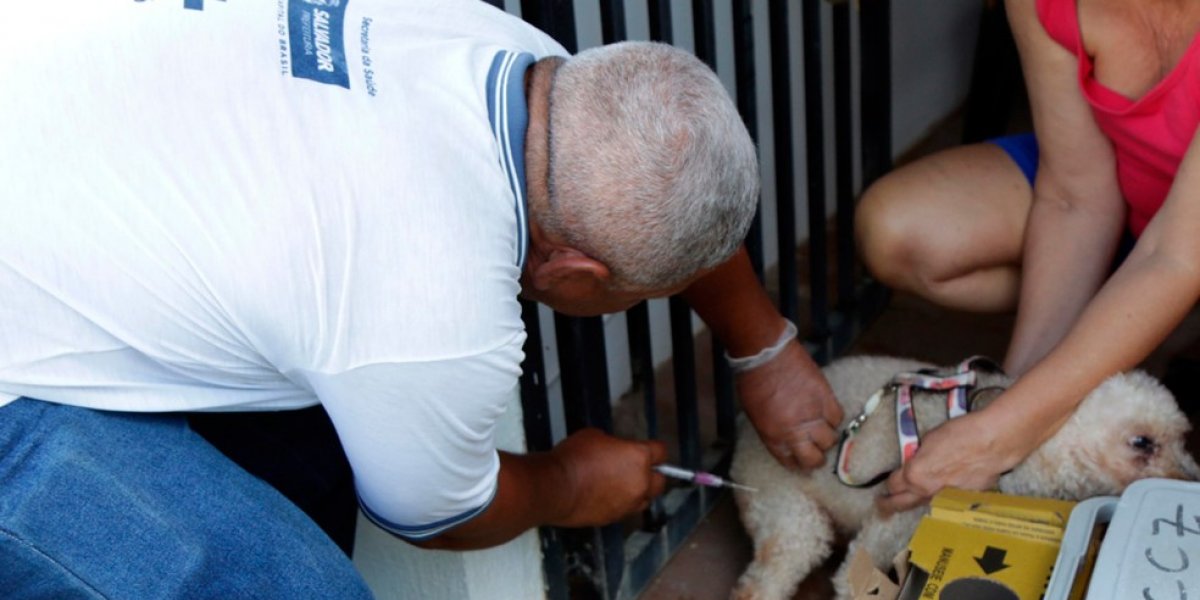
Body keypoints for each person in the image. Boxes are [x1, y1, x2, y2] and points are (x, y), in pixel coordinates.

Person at [0, 1, 842, 596]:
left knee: (313, 444)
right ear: (576, 275)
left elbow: (667, 184)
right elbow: (434, 510)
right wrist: (565, 483)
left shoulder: (505, 54)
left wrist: (765, 348)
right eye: (634, 296)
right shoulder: (434, 313)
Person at [854, 0, 1200, 513]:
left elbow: (1178, 255)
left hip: (1181, 242)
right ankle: (1141, 325)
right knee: (895, 229)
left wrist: (1000, 436)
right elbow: (1074, 198)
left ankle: (1155, 323)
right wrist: (1004, 402)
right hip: (1137, 205)